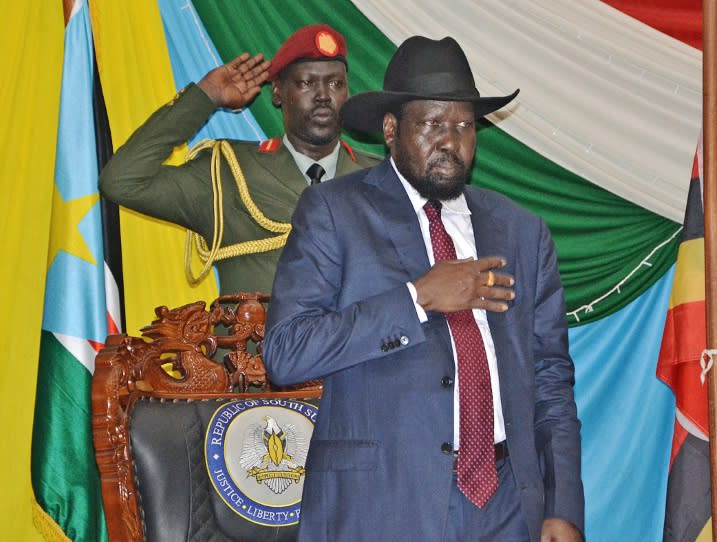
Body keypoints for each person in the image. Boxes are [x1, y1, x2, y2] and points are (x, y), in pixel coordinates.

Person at [263, 36, 584, 541]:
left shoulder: (522, 231)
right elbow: (286, 352)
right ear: (392, 130)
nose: (450, 141)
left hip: (506, 505)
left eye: (462, 126)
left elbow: (550, 378)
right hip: (385, 504)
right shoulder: (335, 211)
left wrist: (562, 505)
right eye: (432, 124)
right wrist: (416, 299)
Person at [99, 24, 380, 296]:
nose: (323, 96)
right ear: (278, 93)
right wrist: (205, 97)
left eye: (335, 83)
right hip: (256, 343)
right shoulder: (227, 173)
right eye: (306, 83)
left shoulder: (383, 178)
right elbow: (123, 181)